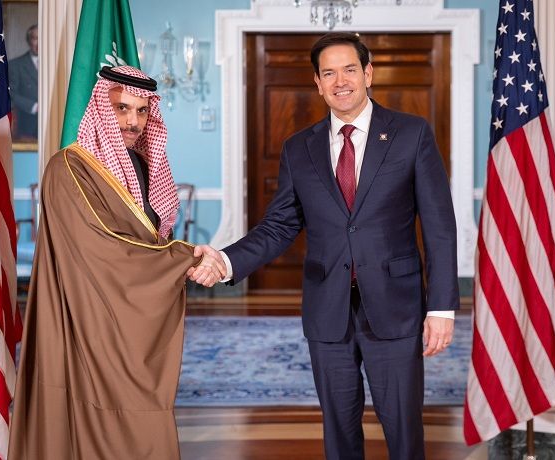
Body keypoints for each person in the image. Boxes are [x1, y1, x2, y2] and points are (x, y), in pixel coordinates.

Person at [188, 32, 459, 459]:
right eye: (328, 73)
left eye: (350, 69)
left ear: (368, 73)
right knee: (339, 431)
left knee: (404, 431)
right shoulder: (299, 148)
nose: (340, 81)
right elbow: (279, 226)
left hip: (396, 305)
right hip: (327, 309)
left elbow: (440, 226)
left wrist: (441, 307)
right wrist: (225, 260)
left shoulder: (411, 134)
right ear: (317, 83)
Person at [8, 65, 224, 459]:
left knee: (143, 410)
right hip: (86, 312)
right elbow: (102, 247)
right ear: (101, 108)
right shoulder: (68, 168)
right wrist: (182, 257)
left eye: (142, 111)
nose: (133, 122)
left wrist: (176, 257)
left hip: (133, 312)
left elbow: (148, 237)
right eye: (122, 109)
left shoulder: (141, 165)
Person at [9, 24, 38, 140]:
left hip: (53, 123)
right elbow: (11, 94)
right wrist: (34, 107)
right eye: (35, 38)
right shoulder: (15, 65)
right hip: (26, 125)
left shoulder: (56, 64)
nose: (39, 43)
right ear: (29, 41)